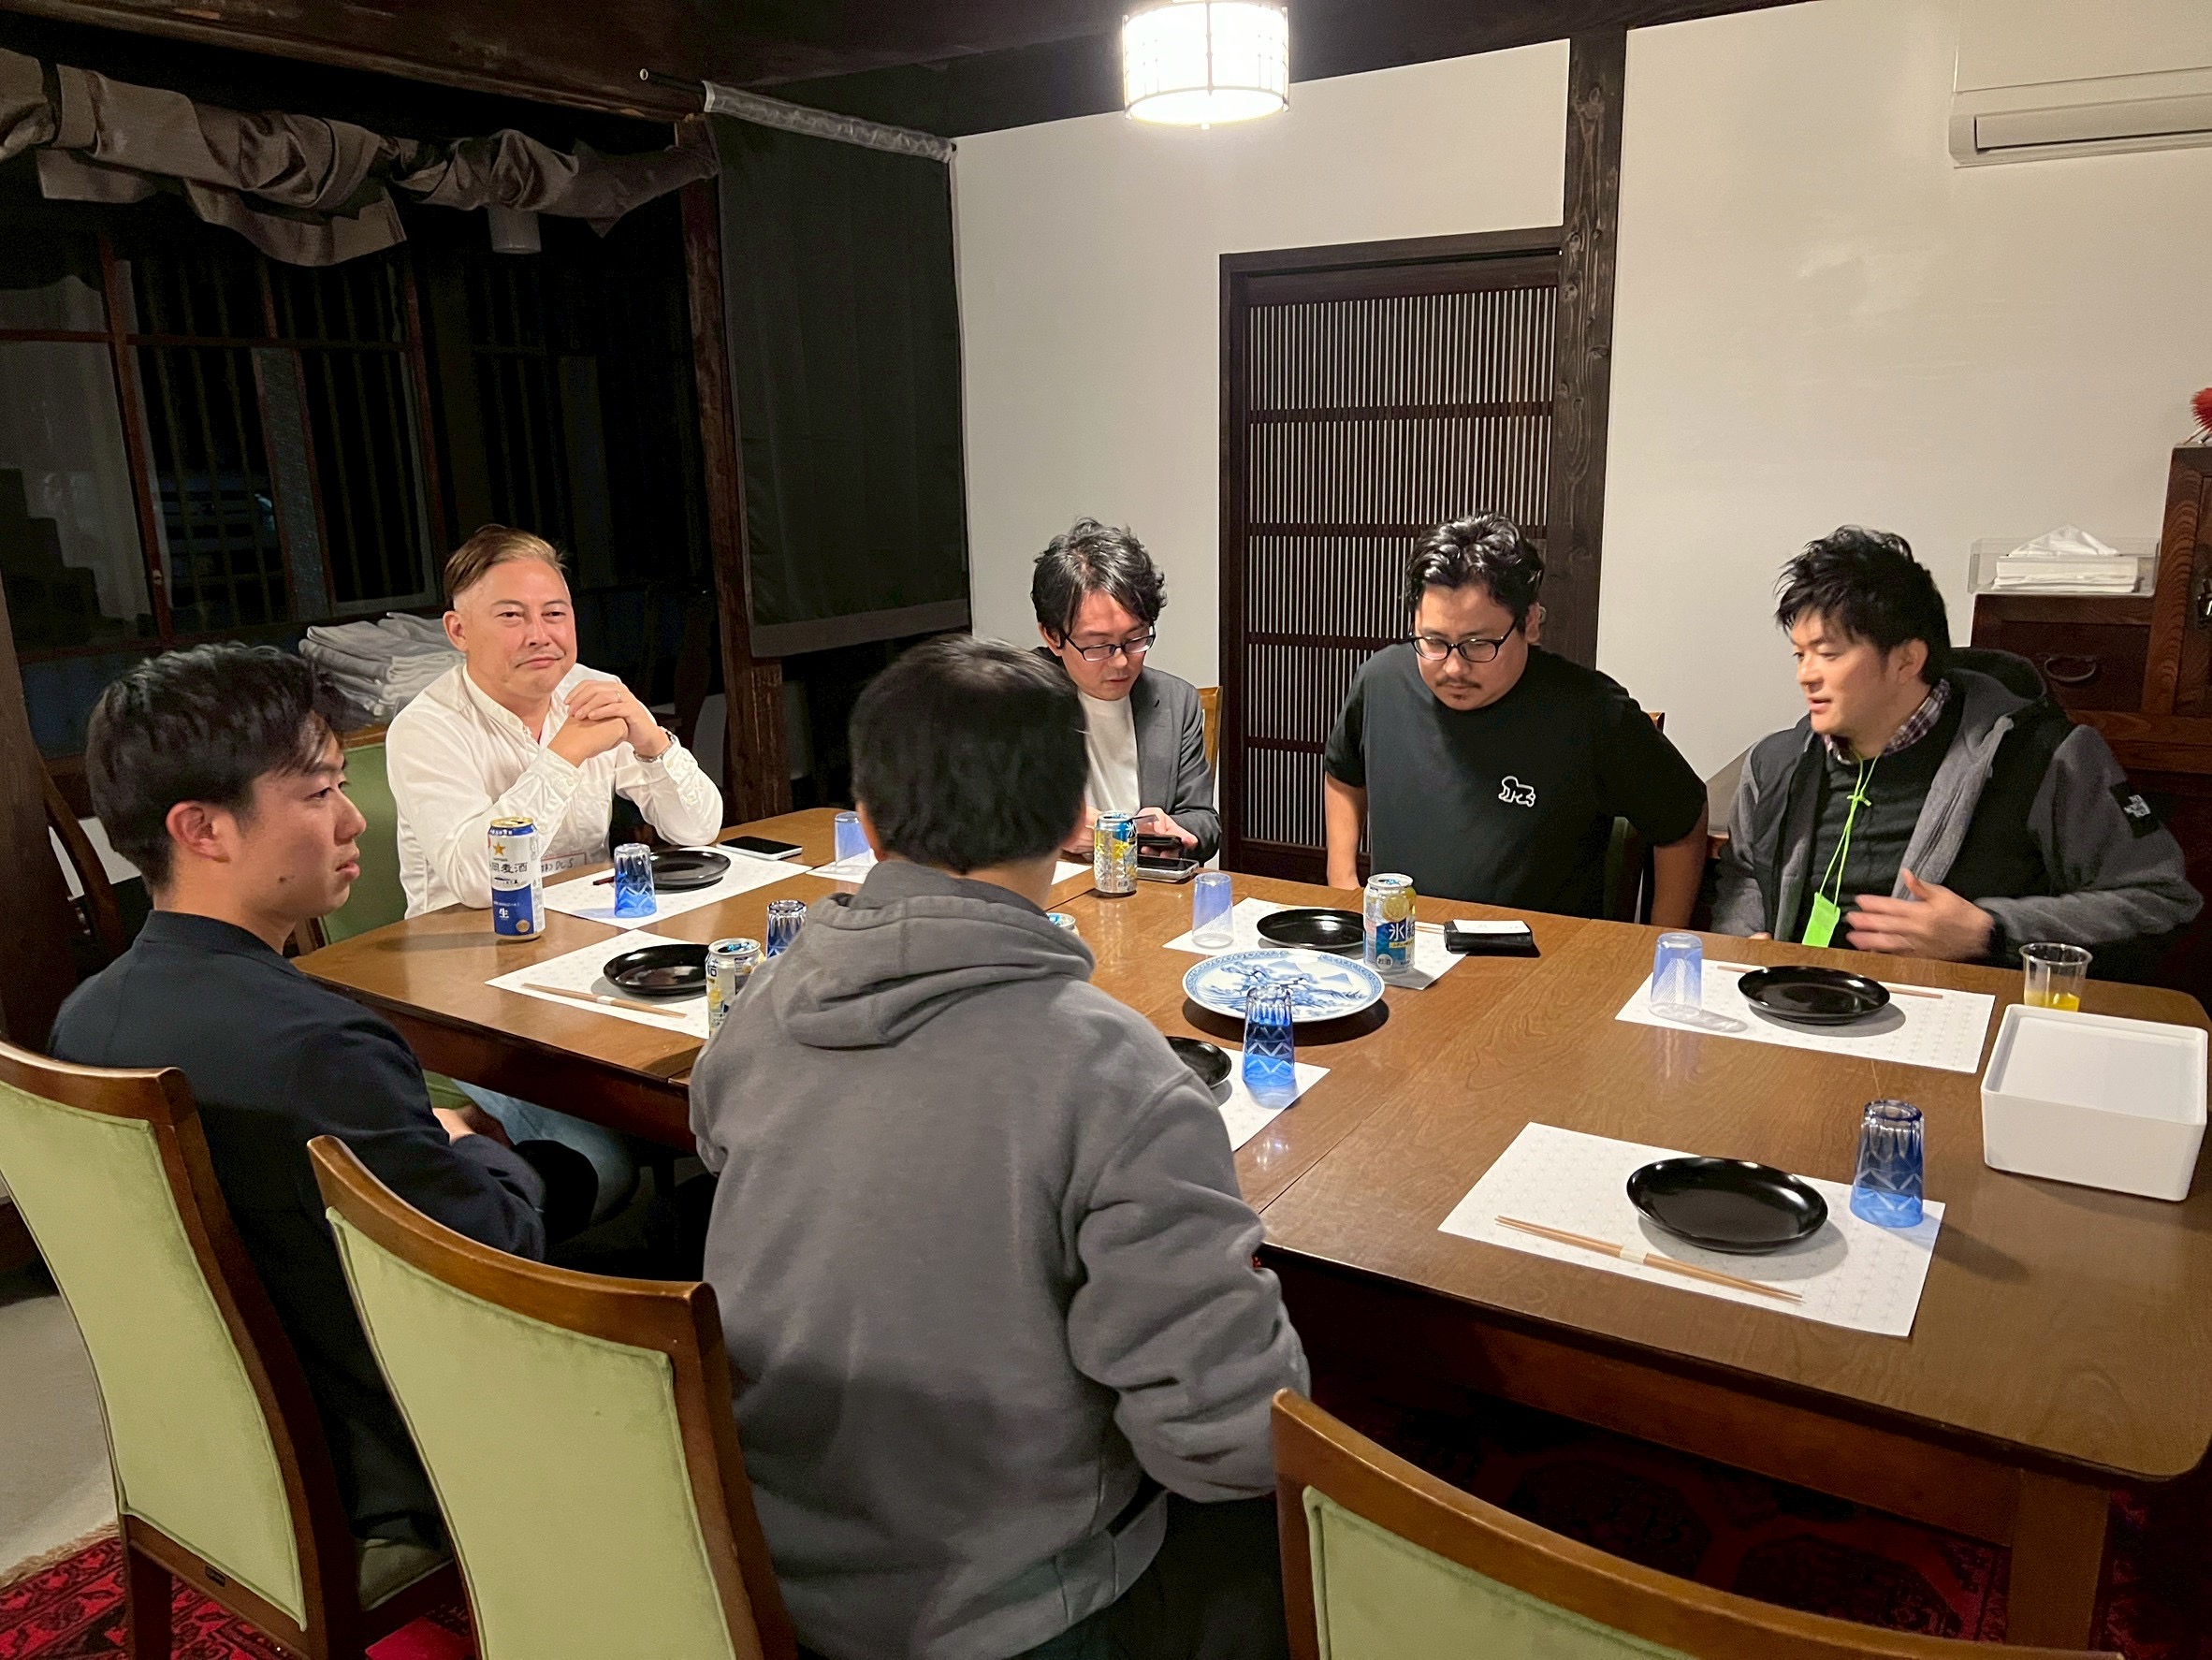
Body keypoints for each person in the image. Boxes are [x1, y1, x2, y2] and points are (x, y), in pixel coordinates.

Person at [691, 635, 1306, 1660]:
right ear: (1076, 822)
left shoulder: (763, 1002)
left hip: (762, 1564)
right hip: (1006, 1614)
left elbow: (723, 1150)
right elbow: (1233, 1440)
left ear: (868, 818)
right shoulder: (1116, 1073)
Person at [48, 644, 582, 1551]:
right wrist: (474, 1142)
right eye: (319, 792)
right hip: (394, 1453)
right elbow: (498, 1253)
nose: (352, 819)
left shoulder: (84, 1021)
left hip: (228, 1437)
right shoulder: (322, 1044)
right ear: (202, 829)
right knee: (649, 1216)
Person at [388, 525, 723, 1215]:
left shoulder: (593, 690)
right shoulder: (427, 729)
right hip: (469, 991)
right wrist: (562, 757)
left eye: (555, 613)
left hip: (586, 957)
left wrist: (652, 740)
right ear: (458, 630)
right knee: (602, 1162)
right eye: (512, 616)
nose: (540, 635)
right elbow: (479, 881)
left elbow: (698, 828)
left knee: (718, 1081)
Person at [1713, 527, 2201, 968]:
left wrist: (1991, 931)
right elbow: (1746, 875)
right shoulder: (1776, 763)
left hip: (1956, 1017)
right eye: (1800, 654)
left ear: (1907, 660)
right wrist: (1744, 946)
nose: (1806, 675)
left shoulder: (2044, 758)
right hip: (1792, 1009)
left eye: (1828, 653)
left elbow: (2161, 900)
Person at [1323, 515, 1710, 921]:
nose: (1453, 668)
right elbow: (1343, 772)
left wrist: (1661, 943)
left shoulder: (1591, 711)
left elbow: (1682, 818)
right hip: (1402, 943)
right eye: (1434, 641)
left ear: (1529, 623)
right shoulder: (1381, 681)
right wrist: (1343, 880)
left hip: (1540, 951)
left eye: (1478, 644)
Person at [1033, 517, 1221, 862]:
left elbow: (1204, 821)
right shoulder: (1015, 700)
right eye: (1098, 645)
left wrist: (1173, 831)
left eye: (1135, 639)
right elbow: (975, 820)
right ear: (1052, 636)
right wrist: (1055, 830)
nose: (1120, 662)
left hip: (1144, 885)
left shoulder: (1175, 701)